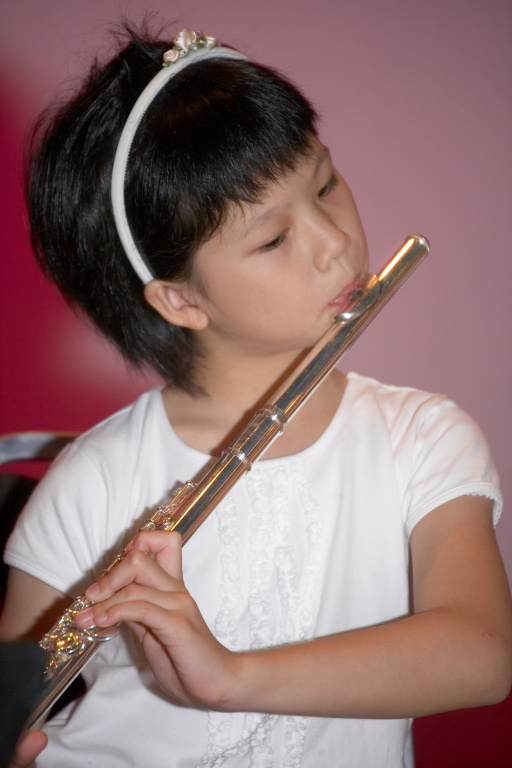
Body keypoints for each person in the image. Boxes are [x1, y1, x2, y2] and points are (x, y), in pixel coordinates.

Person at [1, 23, 511, 768]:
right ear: (180, 300)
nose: (335, 243)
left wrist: (229, 677)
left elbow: (481, 654)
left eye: (326, 185)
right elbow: (15, 698)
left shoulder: (422, 437)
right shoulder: (98, 476)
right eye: (274, 240)